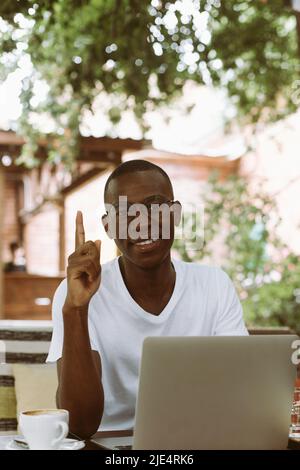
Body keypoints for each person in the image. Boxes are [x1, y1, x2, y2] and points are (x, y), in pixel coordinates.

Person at [46, 159, 248, 438]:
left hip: (195, 441)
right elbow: (80, 426)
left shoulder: (214, 285)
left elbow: (240, 393)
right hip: (109, 444)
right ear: (109, 227)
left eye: (155, 207)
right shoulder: (74, 293)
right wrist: (76, 311)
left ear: (175, 215)